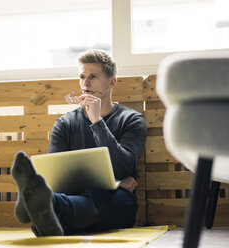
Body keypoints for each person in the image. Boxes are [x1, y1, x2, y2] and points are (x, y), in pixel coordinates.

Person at [11, 49, 147, 236]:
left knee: (95, 198)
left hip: (118, 202)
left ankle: (34, 206)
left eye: (93, 76)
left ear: (111, 82)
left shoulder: (132, 120)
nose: (86, 83)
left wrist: (97, 122)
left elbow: (123, 168)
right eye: (82, 76)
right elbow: (55, 176)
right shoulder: (64, 123)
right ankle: (45, 212)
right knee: (64, 212)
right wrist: (117, 182)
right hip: (75, 199)